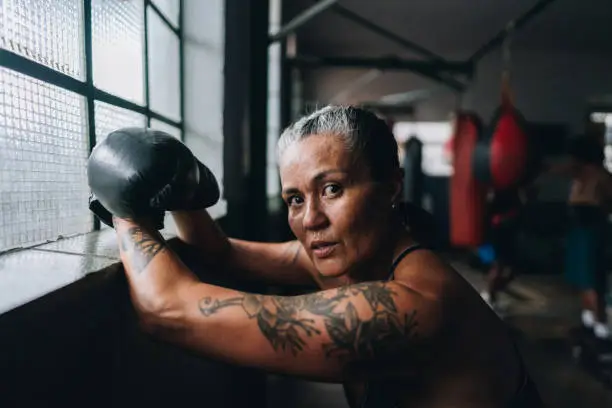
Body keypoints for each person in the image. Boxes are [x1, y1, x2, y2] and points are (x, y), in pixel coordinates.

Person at [88, 106, 544, 407]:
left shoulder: (412, 305)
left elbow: (167, 310)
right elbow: (223, 254)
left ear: (391, 188)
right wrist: (184, 197)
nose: (311, 220)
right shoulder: (347, 260)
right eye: (294, 199)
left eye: (332, 189)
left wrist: (125, 208)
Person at [543, 135, 612, 341]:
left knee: (591, 277)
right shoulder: (579, 173)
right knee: (583, 276)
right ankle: (591, 318)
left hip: (592, 228)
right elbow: (553, 169)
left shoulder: (601, 176)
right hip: (579, 228)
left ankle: (600, 322)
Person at [481, 187, 526, 315]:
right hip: (499, 230)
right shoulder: (498, 189)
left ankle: (491, 295)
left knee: (510, 269)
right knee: (498, 266)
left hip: (508, 230)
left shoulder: (513, 189)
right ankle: (488, 296)